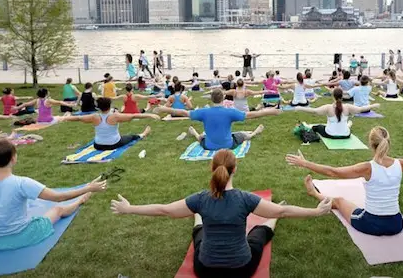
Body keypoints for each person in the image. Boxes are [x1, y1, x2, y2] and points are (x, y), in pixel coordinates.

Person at [110, 149, 332, 278]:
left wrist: (129, 208)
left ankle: (197, 215)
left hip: (204, 270)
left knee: (199, 232)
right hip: (241, 269)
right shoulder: (246, 199)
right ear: (235, 169)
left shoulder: (201, 198)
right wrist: (316, 211)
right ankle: (264, 221)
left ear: (212, 168)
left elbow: (165, 210)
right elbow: (283, 211)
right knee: (258, 232)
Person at [286, 126, 403, 236]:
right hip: (396, 224)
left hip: (370, 223)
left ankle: (314, 193)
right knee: (352, 204)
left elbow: (333, 172)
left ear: (371, 144)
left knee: (339, 201)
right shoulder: (400, 164)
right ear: (388, 142)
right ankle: (315, 193)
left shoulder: (368, 168)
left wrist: (305, 163)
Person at [0, 140, 106, 251]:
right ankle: (80, 200)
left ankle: (82, 196)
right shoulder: (22, 183)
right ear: (13, 158)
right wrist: (87, 188)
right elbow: (59, 197)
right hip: (21, 236)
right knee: (57, 210)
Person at [157, 89, 280, 150]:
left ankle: (194, 132)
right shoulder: (230, 112)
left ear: (211, 99)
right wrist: (271, 111)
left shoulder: (204, 112)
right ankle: (255, 132)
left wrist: (164, 109)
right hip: (228, 145)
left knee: (201, 137)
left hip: (209, 146)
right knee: (244, 135)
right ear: (223, 99)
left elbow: (183, 112)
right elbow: (252, 115)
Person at [62, 97, 159, 150]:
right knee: (131, 137)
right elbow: (133, 116)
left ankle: (142, 134)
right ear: (109, 106)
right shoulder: (115, 116)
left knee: (122, 136)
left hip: (98, 145)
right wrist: (149, 115)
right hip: (113, 144)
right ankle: (143, 134)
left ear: (99, 108)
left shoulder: (94, 116)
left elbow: (78, 118)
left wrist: (64, 118)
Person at [292, 88, 379, 139]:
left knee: (317, 127)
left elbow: (314, 111)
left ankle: (348, 125)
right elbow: (361, 109)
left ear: (333, 97)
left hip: (331, 134)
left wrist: (300, 108)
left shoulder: (328, 107)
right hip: (346, 135)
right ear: (342, 96)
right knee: (343, 124)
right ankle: (348, 125)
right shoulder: (348, 107)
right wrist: (373, 106)